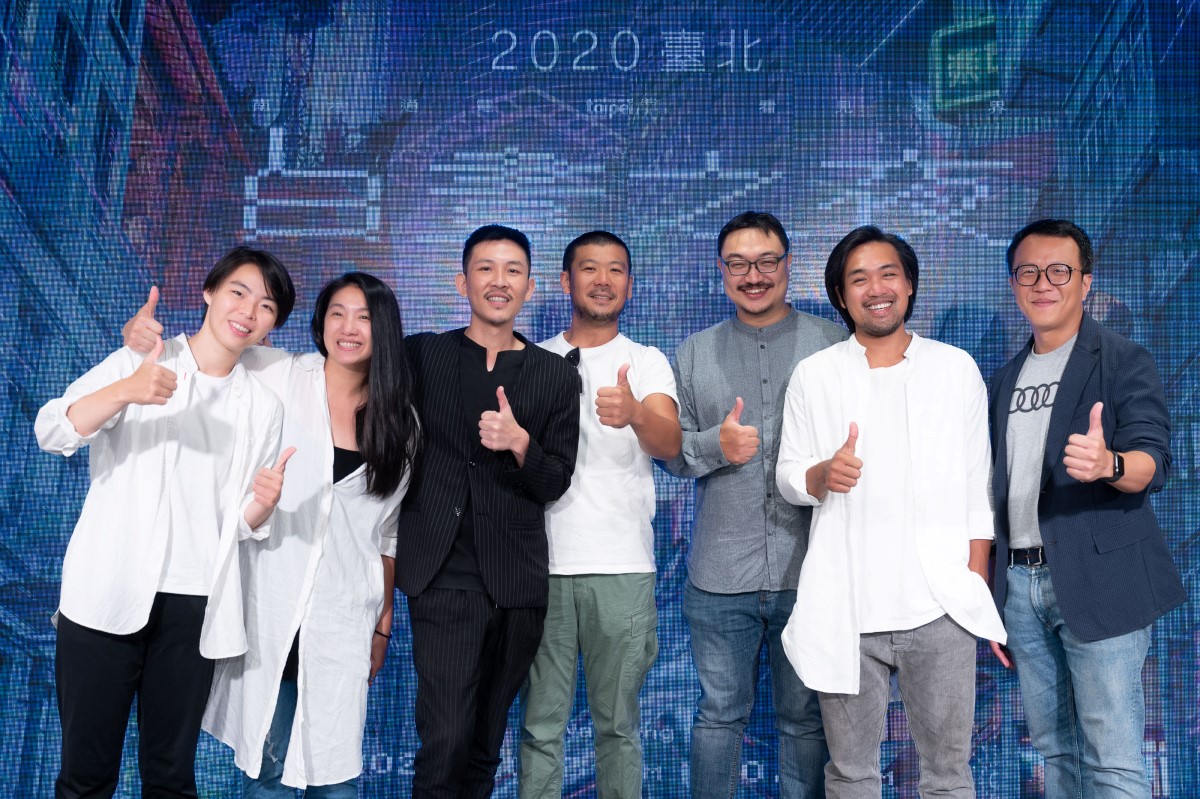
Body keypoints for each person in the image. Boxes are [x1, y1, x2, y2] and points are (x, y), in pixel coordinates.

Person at [122, 272, 420, 796]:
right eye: (337, 314)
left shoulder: (402, 424)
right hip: (271, 606)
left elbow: (386, 534)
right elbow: (207, 352)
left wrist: (382, 624)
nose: (348, 328)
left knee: (336, 780)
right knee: (268, 771)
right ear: (320, 324)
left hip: (342, 615)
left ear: (385, 330)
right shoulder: (280, 372)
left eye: (364, 317)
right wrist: (139, 342)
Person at [35, 246, 296, 799]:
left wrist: (263, 506)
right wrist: (125, 390)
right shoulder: (142, 357)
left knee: (171, 779)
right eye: (239, 292)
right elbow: (52, 430)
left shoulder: (263, 407)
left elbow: (239, 524)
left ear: (272, 325)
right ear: (209, 292)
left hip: (194, 607)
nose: (248, 311)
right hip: (105, 592)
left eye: (267, 306)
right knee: (85, 777)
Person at [775, 226, 1006, 798]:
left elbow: (978, 484)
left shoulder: (955, 368)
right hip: (846, 606)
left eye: (888, 274)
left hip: (940, 607)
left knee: (948, 775)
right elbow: (789, 476)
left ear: (909, 285)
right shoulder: (815, 374)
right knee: (851, 774)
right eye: (859, 279)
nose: (875, 289)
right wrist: (822, 475)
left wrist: (973, 583)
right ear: (840, 294)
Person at [989, 219, 1185, 798]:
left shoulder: (1122, 359)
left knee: (1113, 760)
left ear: (1085, 281)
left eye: (1059, 271)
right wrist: (992, 595)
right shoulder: (1001, 381)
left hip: (1104, 578)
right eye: (1028, 272)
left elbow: (1155, 461)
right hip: (1019, 586)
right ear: (1014, 284)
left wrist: (1110, 464)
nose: (1043, 284)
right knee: (1056, 753)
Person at [663, 211, 842, 799]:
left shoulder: (833, 344)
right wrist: (716, 445)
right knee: (719, 717)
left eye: (766, 261)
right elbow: (670, 455)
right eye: (738, 264)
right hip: (720, 575)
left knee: (805, 722)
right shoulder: (694, 352)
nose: (754, 275)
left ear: (789, 265)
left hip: (811, 571)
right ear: (722, 272)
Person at [397, 224, 580, 798]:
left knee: (483, 745)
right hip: (442, 574)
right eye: (485, 268)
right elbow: (356, 379)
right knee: (445, 738)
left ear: (530, 287)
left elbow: (555, 480)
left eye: (512, 271)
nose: (499, 281)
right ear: (462, 282)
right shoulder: (423, 354)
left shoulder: (556, 374)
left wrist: (522, 444)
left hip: (516, 582)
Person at [519, 231, 681, 798]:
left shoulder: (647, 361)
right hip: (541, 567)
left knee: (619, 728)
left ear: (629, 285)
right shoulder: (530, 359)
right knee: (541, 727)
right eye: (590, 268)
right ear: (567, 281)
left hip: (622, 568)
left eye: (615, 270)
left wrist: (635, 412)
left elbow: (669, 444)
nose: (603, 280)